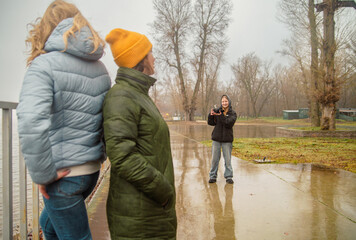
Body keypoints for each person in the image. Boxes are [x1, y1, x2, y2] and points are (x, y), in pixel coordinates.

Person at [17, 1, 111, 239]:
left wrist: (42, 174)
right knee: (48, 227)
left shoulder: (43, 66)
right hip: (90, 172)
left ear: (46, 27)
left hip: (63, 178)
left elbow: (30, 122)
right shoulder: (100, 68)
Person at [103, 28, 177, 239]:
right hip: (139, 215)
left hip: (150, 211)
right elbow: (122, 156)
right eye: (150, 52)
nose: (154, 58)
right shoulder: (121, 97)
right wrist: (162, 190)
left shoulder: (137, 94)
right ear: (139, 59)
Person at [207, 95, 237, 184]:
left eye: (226, 101)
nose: (224, 103)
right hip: (216, 138)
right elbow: (211, 123)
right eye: (223, 101)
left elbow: (228, 123)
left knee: (227, 159)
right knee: (214, 159)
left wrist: (220, 116)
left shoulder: (233, 113)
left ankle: (229, 177)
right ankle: (212, 176)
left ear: (229, 102)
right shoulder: (218, 111)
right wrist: (211, 115)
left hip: (227, 140)